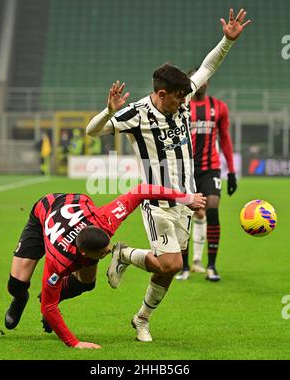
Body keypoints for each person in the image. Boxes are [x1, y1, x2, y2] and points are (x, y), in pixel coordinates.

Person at [86, 8, 251, 342]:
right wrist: (109, 111)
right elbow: (91, 132)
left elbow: (208, 67)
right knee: (173, 263)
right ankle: (134, 292)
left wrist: (227, 41)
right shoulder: (136, 114)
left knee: (168, 269)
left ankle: (136, 302)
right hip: (156, 199)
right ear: (161, 94)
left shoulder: (183, 95)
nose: (183, 101)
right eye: (178, 97)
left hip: (185, 199)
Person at [5, 184, 205, 349]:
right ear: (83, 253)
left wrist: (184, 198)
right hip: (45, 211)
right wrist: (75, 343)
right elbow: (47, 307)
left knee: (87, 283)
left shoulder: (106, 219)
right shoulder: (59, 261)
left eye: (107, 247)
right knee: (17, 283)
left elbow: (140, 190)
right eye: (102, 253)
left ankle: (54, 296)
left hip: (74, 209)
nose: (108, 252)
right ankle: (20, 297)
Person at [175, 68, 237, 282]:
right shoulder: (180, 106)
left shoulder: (219, 107)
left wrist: (232, 172)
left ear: (208, 82)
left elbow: (226, 140)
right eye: (197, 80)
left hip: (211, 169)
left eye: (205, 79)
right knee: (185, 217)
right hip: (186, 171)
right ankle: (183, 267)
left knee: (212, 210)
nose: (202, 83)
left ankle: (211, 266)